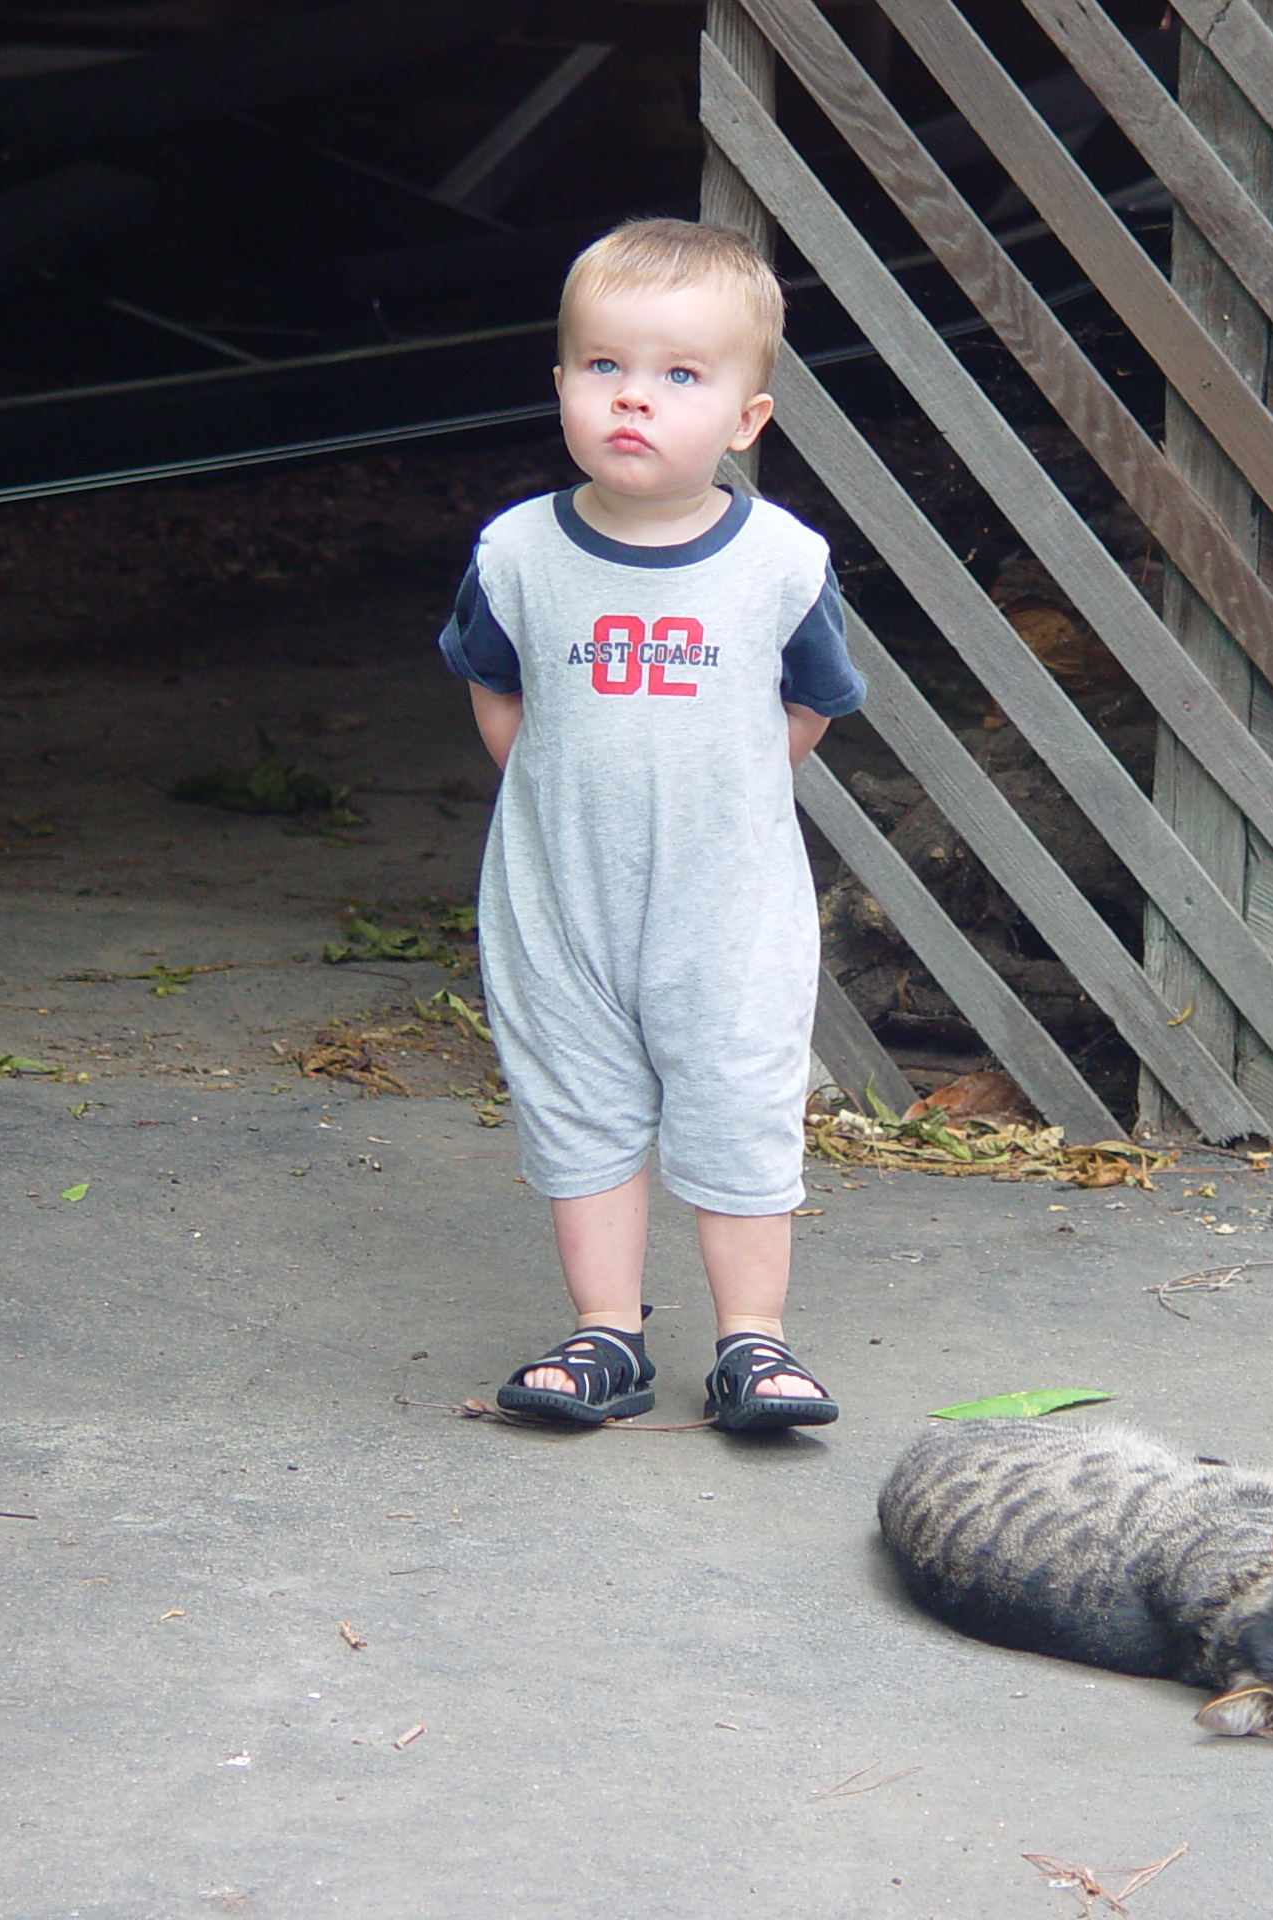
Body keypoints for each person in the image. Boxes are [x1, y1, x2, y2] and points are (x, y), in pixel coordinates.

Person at [436, 218, 865, 1432]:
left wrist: (722, 785)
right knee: (578, 1102)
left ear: (745, 418)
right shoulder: (517, 551)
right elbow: (493, 678)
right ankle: (604, 1336)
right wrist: (560, 783)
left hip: (724, 908)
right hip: (557, 899)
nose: (636, 400)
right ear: (562, 384)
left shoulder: (777, 562)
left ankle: (755, 1344)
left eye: (680, 376)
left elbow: (815, 700)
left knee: (735, 1097)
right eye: (606, 368)